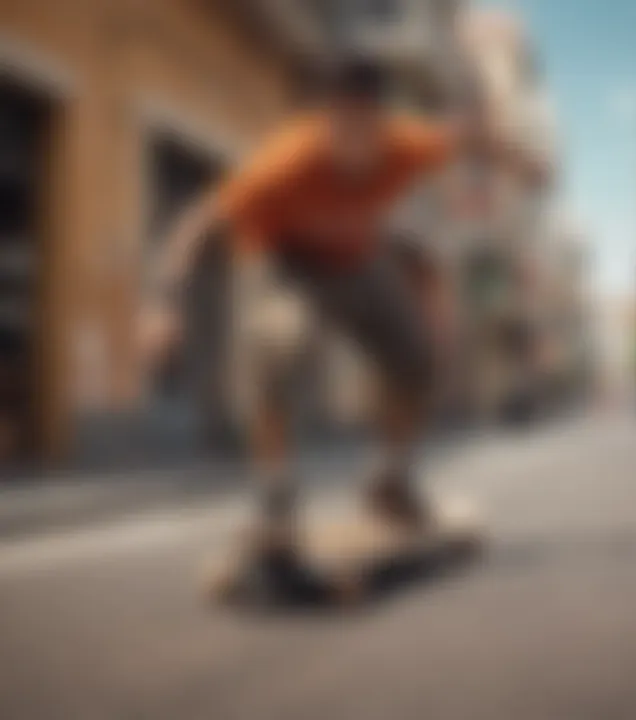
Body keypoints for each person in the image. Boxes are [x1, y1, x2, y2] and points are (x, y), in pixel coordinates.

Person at [140, 58, 546, 568]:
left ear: (381, 121)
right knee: (279, 343)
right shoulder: (286, 160)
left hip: (361, 258)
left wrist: (524, 163)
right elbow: (199, 222)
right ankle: (275, 500)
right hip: (288, 261)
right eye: (342, 131)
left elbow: (470, 136)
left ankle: (390, 481)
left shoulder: (408, 143)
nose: (353, 149)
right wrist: (161, 303)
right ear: (327, 119)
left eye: (365, 132)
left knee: (418, 358)